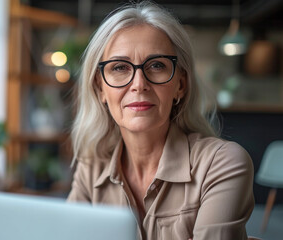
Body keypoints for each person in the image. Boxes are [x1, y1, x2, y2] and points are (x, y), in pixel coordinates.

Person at [66, 1, 254, 239]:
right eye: (120, 67)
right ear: (101, 88)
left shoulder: (221, 164)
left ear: (180, 86)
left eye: (156, 65)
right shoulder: (91, 168)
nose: (139, 84)